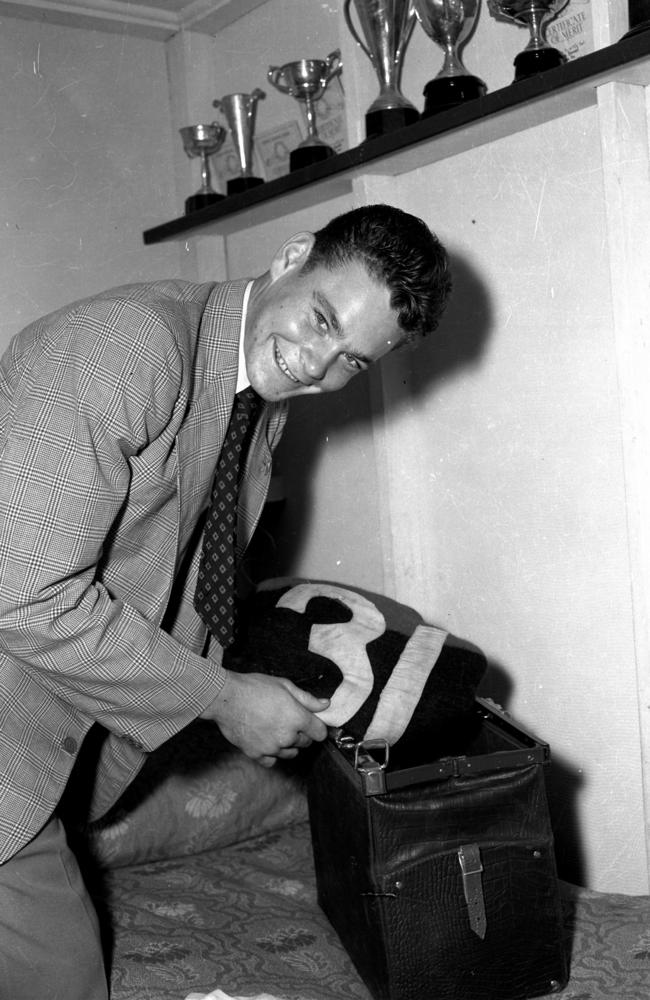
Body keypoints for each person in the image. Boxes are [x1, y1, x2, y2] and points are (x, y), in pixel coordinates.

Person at [0, 202, 451, 998]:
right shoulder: (126, 348)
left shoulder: (255, 403)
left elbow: (187, 585)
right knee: (62, 979)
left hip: (46, 729)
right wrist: (224, 698)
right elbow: (23, 596)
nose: (318, 365)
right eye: (320, 319)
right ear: (291, 256)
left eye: (351, 360)